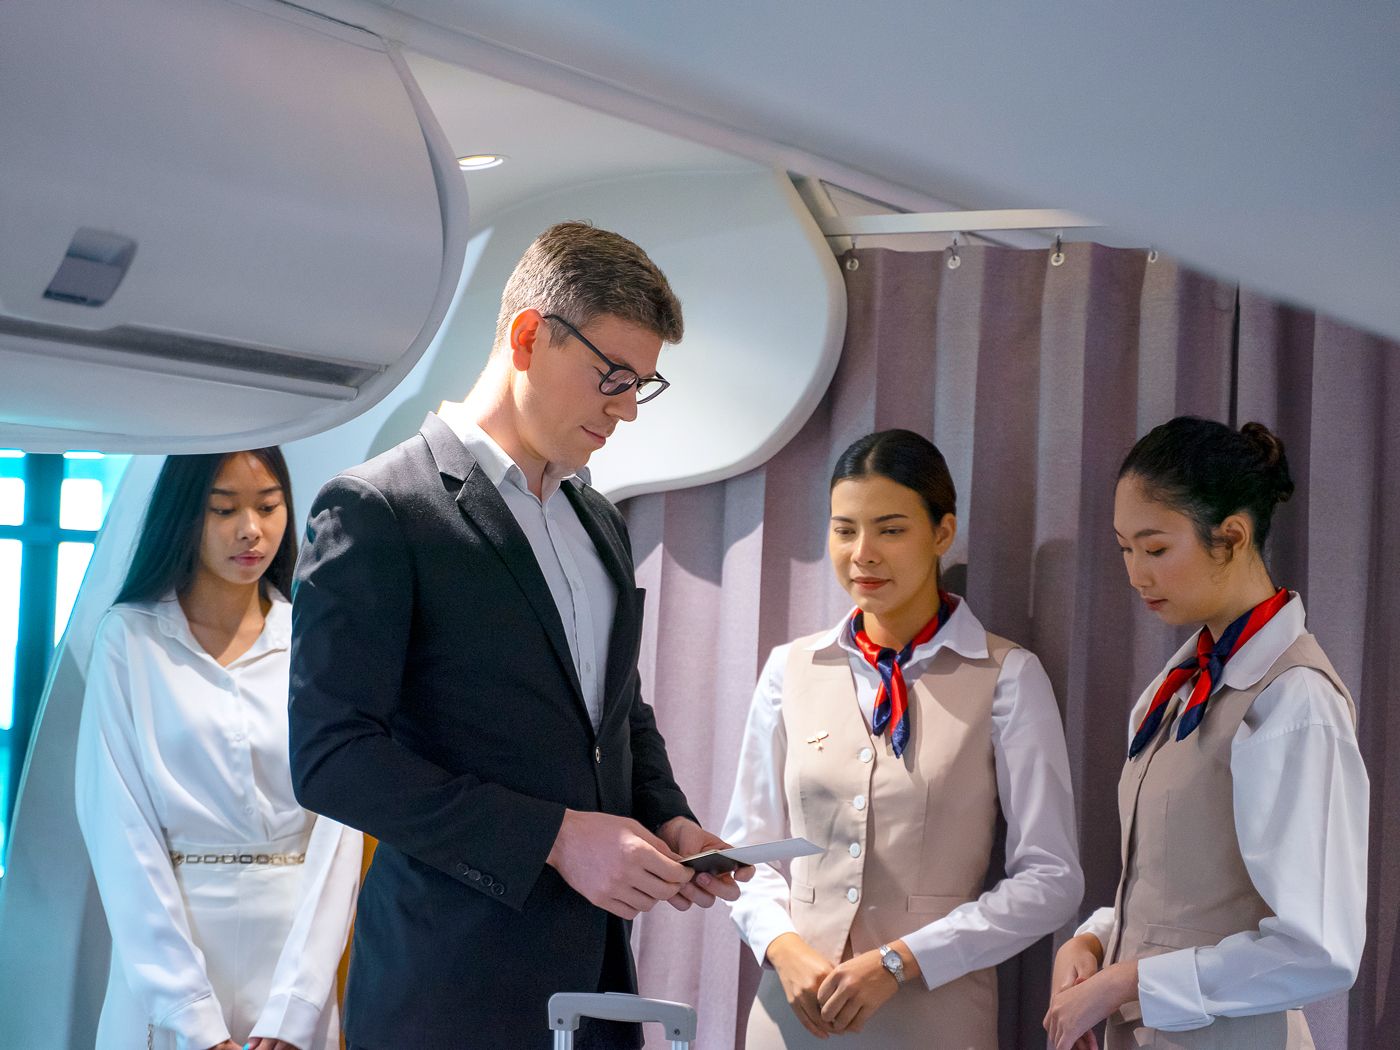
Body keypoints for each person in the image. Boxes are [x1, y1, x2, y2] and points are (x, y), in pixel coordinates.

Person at [288, 221, 747, 1050]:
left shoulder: (598, 520)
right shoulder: (378, 508)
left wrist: (670, 820)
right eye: (611, 376)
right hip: (448, 984)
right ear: (529, 336)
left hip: (597, 984)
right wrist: (558, 837)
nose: (625, 410)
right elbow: (331, 759)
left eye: (642, 385)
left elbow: (615, 712)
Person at [724, 429, 1084, 1049]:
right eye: (844, 529)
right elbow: (745, 855)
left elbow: (1052, 879)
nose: (863, 553)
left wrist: (902, 959)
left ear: (942, 533)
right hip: (792, 1018)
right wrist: (783, 947)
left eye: (890, 530)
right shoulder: (791, 668)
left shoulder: (1007, 676)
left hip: (936, 1019)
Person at [1043, 416, 1369, 1050]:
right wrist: (1095, 940)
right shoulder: (1177, 685)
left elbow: (1320, 948)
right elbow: (1177, 886)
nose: (1136, 574)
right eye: (1125, 549)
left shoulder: (1293, 699)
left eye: (1156, 548)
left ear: (1232, 537)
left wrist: (1128, 980)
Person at [75, 449, 363, 1050]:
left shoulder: (316, 641)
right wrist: (192, 1014)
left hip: (292, 955)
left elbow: (339, 832)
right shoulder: (129, 639)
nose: (250, 530)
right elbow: (120, 832)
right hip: (168, 957)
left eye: (268, 506)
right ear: (185, 515)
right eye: (223, 509)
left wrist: (295, 1009)